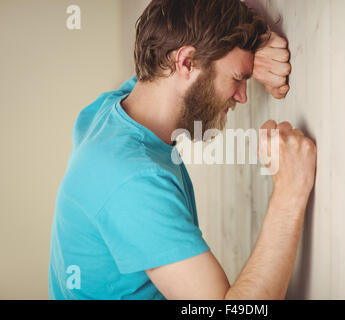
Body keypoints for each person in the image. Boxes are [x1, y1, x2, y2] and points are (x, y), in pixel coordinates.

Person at [48, 0, 317, 300]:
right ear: (186, 63)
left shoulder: (111, 112)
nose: (242, 96)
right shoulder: (131, 180)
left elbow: (184, 23)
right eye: (238, 79)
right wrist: (289, 192)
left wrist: (250, 49)